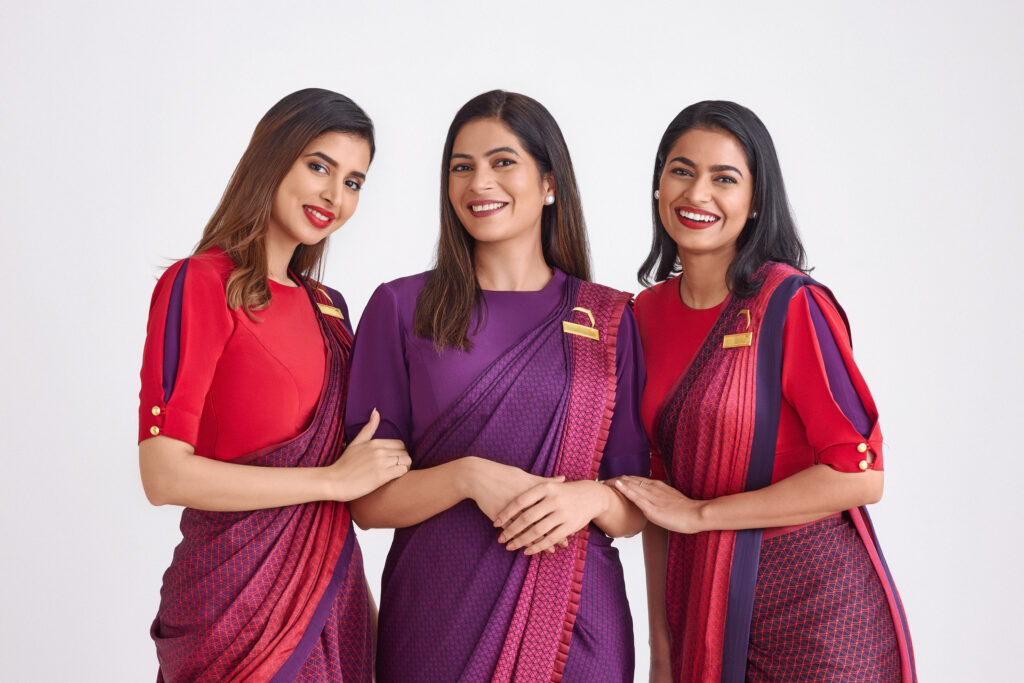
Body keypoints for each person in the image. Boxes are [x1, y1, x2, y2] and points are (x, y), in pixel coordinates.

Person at [344, 90, 649, 682]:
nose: (479, 181)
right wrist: (465, 477)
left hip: (576, 618)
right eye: (462, 166)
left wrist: (593, 498)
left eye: (502, 162)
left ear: (550, 183)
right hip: (437, 618)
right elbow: (366, 502)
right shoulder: (402, 308)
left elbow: (637, 497)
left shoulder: (609, 318)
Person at [613, 101, 916, 682]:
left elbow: (860, 474)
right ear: (658, 185)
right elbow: (657, 497)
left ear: (755, 202)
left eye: (724, 179)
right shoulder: (643, 316)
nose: (697, 193)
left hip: (818, 611)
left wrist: (702, 514)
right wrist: (661, 644)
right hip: (703, 604)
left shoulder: (791, 304)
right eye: (681, 171)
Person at [137, 88, 411, 682]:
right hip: (230, 608)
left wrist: (366, 619)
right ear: (272, 158)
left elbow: (338, 505)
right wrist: (331, 480)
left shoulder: (330, 309)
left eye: (354, 182)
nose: (334, 196)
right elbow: (162, 475)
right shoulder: (202, 283)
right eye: (319, 167)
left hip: (330, 600)